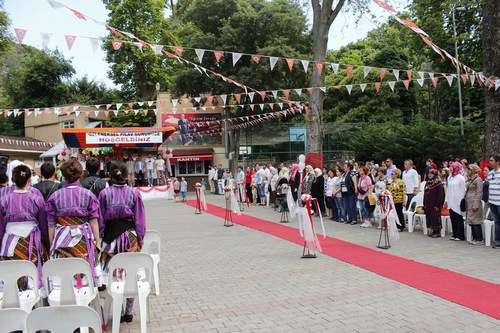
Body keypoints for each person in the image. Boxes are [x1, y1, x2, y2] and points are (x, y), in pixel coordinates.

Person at [98, 160, 146, 323]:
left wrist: (100, 238)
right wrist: (140, 238)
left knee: (114, 273)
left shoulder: (104, 194)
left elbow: (101, 220)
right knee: (131, 272)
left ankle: (116, 306)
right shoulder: (134, 193)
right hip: (130, 237)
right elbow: (140, 219)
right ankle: (129, 311)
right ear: (127, 176)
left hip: (111, 237)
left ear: (110, 176)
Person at [45, 159, 102, 285]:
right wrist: (97, 241)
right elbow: (94, 221)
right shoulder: (88, 195)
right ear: (80, 174)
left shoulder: (55, 196)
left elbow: (51, 224)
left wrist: (51, 244)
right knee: (86, 271)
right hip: (83, 238)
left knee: (62, 274)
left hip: (61, 239)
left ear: (64, 175)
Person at [0, 165, 48, 284]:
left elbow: (0, 227)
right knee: (31, 275)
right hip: (31, 241)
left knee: (11, 278)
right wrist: (47, 243)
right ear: (29, 180)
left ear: (13, 180)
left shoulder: (4, 200)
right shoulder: (36, 199)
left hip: (9, 241)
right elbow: (43, 224)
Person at [446, 161, 466, 241]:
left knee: (458, 218)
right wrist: (446, 200)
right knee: (453, 218)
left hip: (458, 200)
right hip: (451, 200)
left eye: (452, 167)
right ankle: (455, 234)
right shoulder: (450, 177)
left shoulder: (460, 177)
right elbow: (448, 189)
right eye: (450, 167)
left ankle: (460, 235)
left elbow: (463, 190)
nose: (450, 168)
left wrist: (461, 200)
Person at [464, 164, 483, 245]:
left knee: (476, 221)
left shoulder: (478, 179)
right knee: (471, 220)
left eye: (469, 170)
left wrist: (476, 204)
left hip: (475, 202)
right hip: (469, 201)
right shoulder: (469, 179)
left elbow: (479, 192)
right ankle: (474, 237)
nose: (467, 171)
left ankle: (479, 238)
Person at [423, 169, 445, 238]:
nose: (429, 175)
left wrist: (438, 204)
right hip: (428, 203)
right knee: (429, 216)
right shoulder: (428, 183)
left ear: (435, 175)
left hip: (435, 203)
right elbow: (425, 193)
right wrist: (424, 202)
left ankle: (437, 231)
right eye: (428, 173)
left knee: (435, 216)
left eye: (431, 174)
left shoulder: (438, 183)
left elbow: (440, 195)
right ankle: (432, 229)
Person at [487, 155, 500, 247]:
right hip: (492, 201)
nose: (490, 162)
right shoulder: (490, 173)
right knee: (496, 221)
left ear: (498, 162)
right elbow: (489, 187)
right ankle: (498, 240)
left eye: (492, 160)